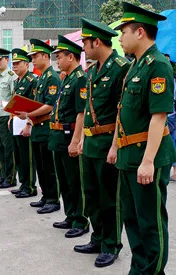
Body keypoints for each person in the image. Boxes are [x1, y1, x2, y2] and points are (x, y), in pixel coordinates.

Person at [114, 2, 176, 273]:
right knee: (132, 220)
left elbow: (159, 117)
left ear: (139, 32)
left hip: (146, 156)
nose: (120, 38)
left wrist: (148, 161)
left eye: (123, 32)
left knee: (150, 222)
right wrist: (117, 146)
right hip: (128, 155)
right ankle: (139, 268)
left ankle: (153, 270)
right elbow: (124, 112)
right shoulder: (135, 66)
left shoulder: (158, 66)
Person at [75, 18, 129, 268]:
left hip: (108, 141)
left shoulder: (120, 68)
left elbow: (122, 111)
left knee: (110, 198)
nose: (83, 47)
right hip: (92, 142)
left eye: (85, 42)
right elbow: (88, 107)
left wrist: (116, 144)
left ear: (97, 41)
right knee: (92, 195)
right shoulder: (94, 69)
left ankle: (111, 244)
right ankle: (97, 237)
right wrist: (84, 137)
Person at [49, 35, 89, 238]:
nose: (57, 60)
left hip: (69, 135)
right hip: (58, 135)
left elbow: (81, 112)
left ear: (71, 57)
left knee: (75, 181)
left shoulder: (80, 78)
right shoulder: (67, 79)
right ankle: (70, 215)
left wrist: (75, 140)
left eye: (59, 57)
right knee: (64, 180)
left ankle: (80, 220)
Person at [20, 39, 61, 213]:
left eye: (35, 56)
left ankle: (53, 199)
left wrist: (28, 115)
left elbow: (49, 106)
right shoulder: (41, 78)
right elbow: (36, 104)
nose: (33, 60)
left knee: (49, 167)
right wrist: (29, 121)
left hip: (47, 129)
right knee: (41, 166)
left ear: (45, 56)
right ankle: (45, 195)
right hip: (37, 127)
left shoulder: (52, 77)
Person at [9, 48, 38, 198]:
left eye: (17, 63)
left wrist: (29, 123)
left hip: (26, 122)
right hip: (16, 121)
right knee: (19, 156)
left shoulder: (32, 81)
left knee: (28, 157)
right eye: (13, 63)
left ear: (26, 64)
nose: (14, 66)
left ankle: (30, 186)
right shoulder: (17, 81)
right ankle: (23, 184)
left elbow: (33, 105)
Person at [0, 47, 17, 189]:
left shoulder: (11, 76)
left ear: (7, 59)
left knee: (8, 150)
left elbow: (14, 97)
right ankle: (4, 175)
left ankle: (11, 177)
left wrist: (11, 116)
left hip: (6, 116)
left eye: (0, 59)